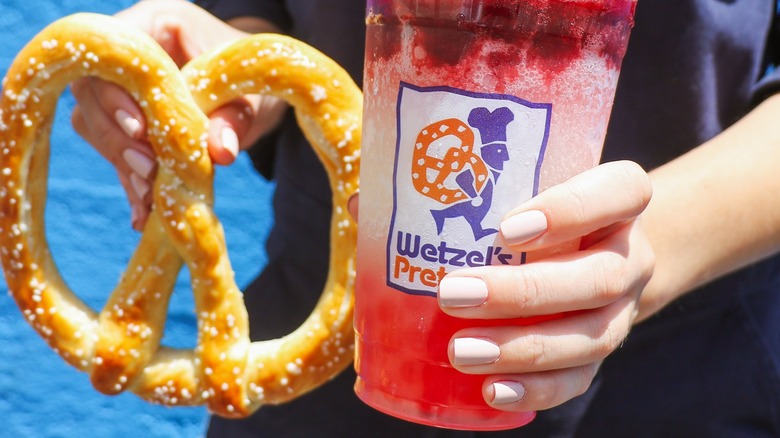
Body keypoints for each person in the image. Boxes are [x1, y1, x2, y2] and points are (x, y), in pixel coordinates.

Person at [70, 0, 780, 436]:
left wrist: (645, 245)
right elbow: (260, 12)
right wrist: (232, 61)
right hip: (317, 369)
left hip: (667, 387)